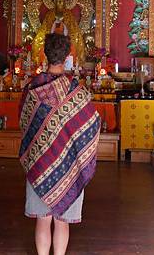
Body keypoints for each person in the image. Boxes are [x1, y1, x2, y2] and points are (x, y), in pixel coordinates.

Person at [19, 33, 100, 255]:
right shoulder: (77, 92)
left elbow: (24, 122)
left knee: (43, 220)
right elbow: (92, 123)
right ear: (67, 57)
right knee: (62, 221)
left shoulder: (32, 89)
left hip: (40, 164)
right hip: (69, 166)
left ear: (45, 55)